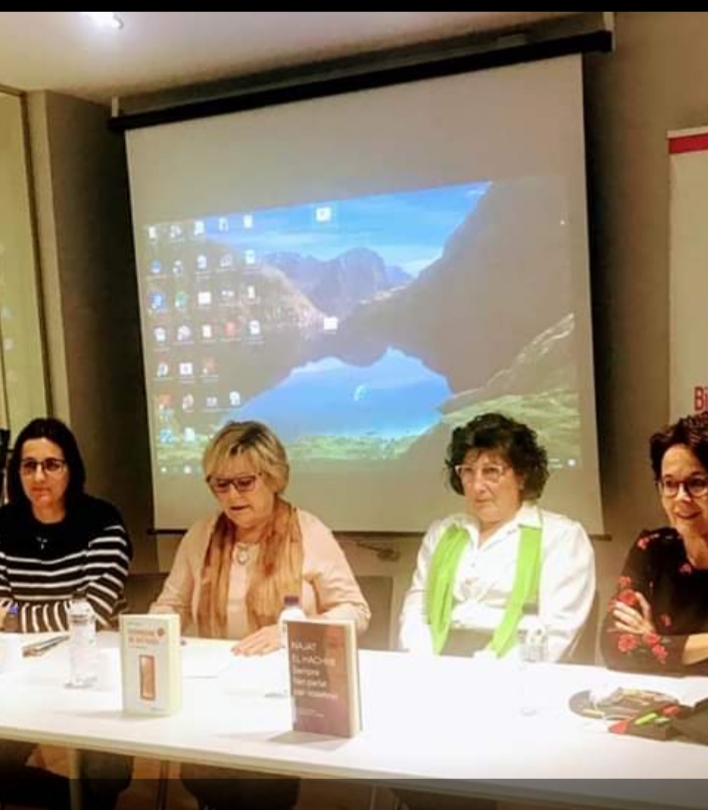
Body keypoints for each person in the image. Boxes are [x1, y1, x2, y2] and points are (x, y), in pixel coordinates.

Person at [151, 420, 370, 810]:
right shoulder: (202, 534)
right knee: (206, 780)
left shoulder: (309, 531)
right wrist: (157, 633)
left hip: (280, 690)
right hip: (214, 687)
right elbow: (172, 605)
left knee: (260, 791)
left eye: (244, 483)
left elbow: (356, 611)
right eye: (220, 484)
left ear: (273, 478)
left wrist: (292, 631)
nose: (232, 496)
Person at [0, 417, 133, 810]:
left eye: (51, 465)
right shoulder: (4, 524)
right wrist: (55, 612)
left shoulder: (102, 521)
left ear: (71, 469)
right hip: (25, 669)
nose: (39, 476)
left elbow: (92, 610)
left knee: (105, 775)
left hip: (95, 666)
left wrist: (17, 615)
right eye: (29, 465)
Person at [399, 412, 596, 661]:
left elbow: (556, 632)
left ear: (522, 476)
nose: (477, 485)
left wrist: (490, 673)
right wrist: (422, 662)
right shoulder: (443, 532)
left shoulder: (561, 537)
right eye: (468, 471)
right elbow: (417, 609)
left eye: (491, 471)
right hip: (435, 665)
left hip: (515, 671)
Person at [601, 411, 708, 674]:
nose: (681, 497)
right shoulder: (652, 548)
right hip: (667, 695)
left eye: (697, 483)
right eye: (669, 484)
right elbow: (614, 644)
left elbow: (638, 650)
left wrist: (655, 643)